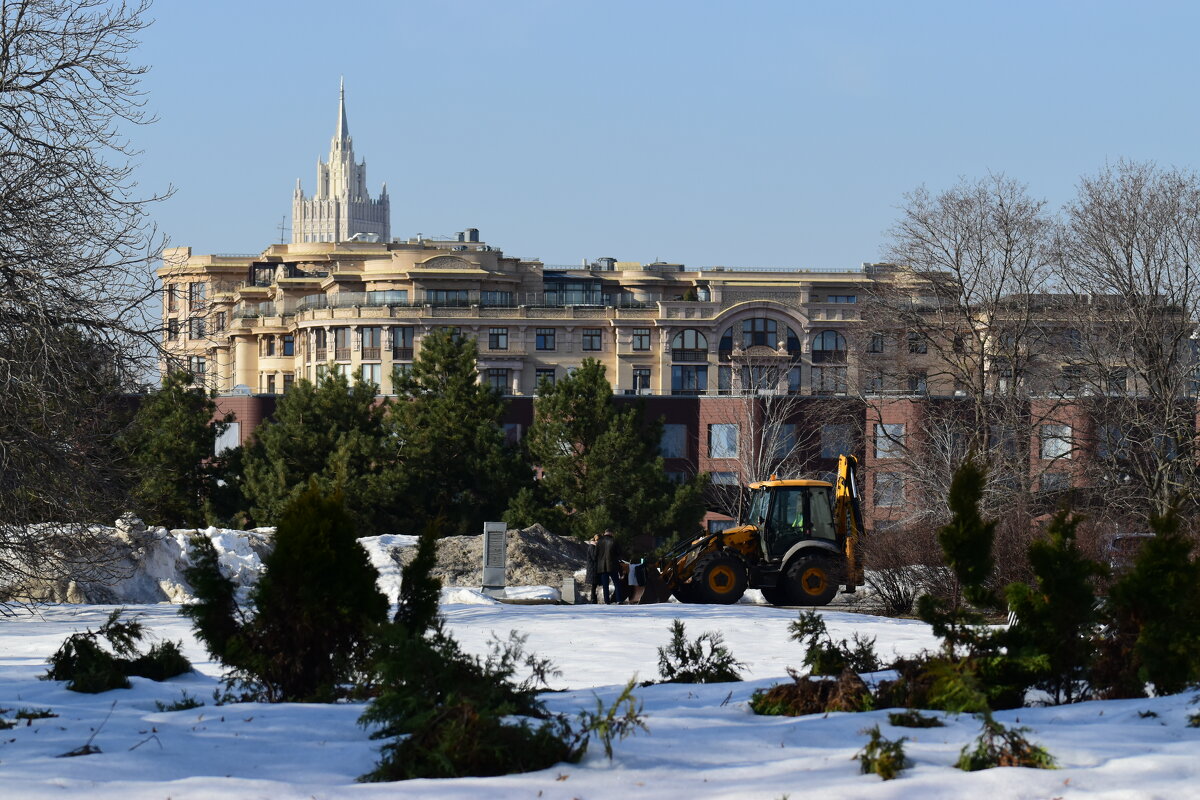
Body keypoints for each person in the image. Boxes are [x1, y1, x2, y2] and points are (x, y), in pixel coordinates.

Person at [594, 529, 625, 604]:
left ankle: (607, 601)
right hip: (612, 566)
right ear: (611, 533)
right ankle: (619, 600)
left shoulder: (599, 542)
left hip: (602, 567)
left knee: (605, 585)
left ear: (605, 533)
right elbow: (620, 553)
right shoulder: (614, 541)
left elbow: (595, 555)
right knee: (617, 583)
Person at [585, 534, 599, 603]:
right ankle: (593, 599)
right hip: (592, 569)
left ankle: (593, 599)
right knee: (593, 586)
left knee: (594, 585)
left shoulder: (593, 546)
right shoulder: (592, 547)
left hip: (593, 568)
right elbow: (594, 557)